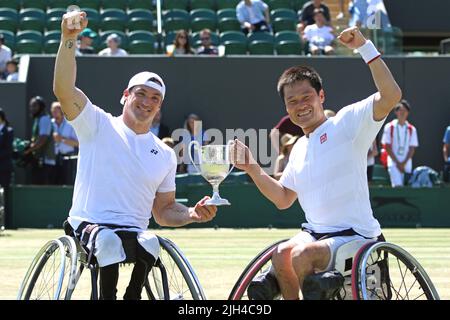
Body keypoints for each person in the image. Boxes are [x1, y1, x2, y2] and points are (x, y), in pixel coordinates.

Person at [53, 11, 217, 300]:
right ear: (125, 95)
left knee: (152, 241)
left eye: (155, 98)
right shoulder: (97, 123)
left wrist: (191, 213)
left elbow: (164, 210)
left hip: (134, 232)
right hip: (87, 226)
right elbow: (64, 90)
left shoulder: (165, 154)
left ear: (159, 107)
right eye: (141, 93)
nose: (147, 102)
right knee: (106, 242)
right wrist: (69, 39)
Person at [230, 26, 402, 300]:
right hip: (316, 235)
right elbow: (284, 198)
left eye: (307, 97)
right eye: (292, 101)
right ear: (286, 109)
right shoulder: (298, 147)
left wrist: (364, 47)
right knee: (281, 254)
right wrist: (252, 167)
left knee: (300, 255)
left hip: (357, 237)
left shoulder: (347, 122)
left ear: (321, 97)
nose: (301, 105)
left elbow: (391, 96)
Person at [381, 100, 418, 187]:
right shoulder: (389, 127)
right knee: (397, 186)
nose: (402, 113)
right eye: (400, 110)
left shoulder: (412, 129)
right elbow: (387, 146)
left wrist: (404, 163)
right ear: (396, 112)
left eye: (404, 110)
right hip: (393, 164)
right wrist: (398, 163)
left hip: (407, 164)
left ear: (408, 113)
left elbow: (412, 148)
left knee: (406, 188)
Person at [23, 96, 56, 185]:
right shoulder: (38, 119)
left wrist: (28, 150)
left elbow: (42, 139)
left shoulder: (44, 119)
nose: (32, 108)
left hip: (45, 161)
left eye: (35, 106)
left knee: (43, 188)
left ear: (41, 107)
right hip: (39, 161)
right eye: (31, 106)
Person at [51, 101, 79, 185]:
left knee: (67, 183)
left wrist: (61, 139)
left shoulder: (70, 124)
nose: (55, 113)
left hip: (68, 159)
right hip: (53, 159)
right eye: (53, 111)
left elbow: (77, 143)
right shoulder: (50, 123)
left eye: (57, 111)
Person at [0, 108, 14, 229]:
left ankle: (6, 223)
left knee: (5, 195)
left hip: (4, 168)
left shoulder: (9, 131)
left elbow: (7, 150)